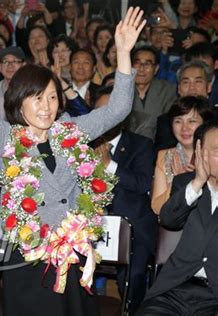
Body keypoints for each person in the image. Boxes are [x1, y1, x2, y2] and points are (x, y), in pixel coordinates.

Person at [0, 7, 145, 315]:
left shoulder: (69, 131)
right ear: (19, 100)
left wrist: (124, 51)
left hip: (73, 253)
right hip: (28, 257)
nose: (47, 107)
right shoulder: (5, 139)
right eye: (37, 98)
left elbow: (118, 109)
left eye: (52, 97)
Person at [137, 119, 218, 315]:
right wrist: (198, 182)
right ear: (200, 153)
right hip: (175, 290)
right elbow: (168, 220)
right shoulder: (186, 184)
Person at [92, 86, 157, 312]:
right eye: (101, 111)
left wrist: (109, 164)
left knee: (135, 273)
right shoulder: (82, 145)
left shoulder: (142, 144)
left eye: (112, 110)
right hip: (89, 225)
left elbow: (141, 184)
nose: (107, 116)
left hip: (132, 228)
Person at [151, 96, 214, 214]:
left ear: (205, 124)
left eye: (192, 121)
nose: (184, 128)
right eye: (178, 121)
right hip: (176, 228)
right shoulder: (165, 156)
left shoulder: (214, 156)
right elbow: (157, 208)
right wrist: (178, 182)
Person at [125, 46, 177, 140]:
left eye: (147, 64)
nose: (141, 68)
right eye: (137, 63)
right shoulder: (121, 90)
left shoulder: (168, 90)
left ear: (156, 69)